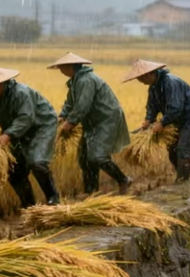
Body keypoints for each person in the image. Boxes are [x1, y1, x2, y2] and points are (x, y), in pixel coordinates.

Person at [0, 65, 60, 208]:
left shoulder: (21, 93)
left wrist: (8, 135)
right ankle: (29, 206)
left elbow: (25, 118)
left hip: (41, 127)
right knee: (14, 170)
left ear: (2, 82)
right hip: (15, 132)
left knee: (37, 162)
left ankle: (53, 198)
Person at [49, 52, 132, 195]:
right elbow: (70, 103)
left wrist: (71, 122)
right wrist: (63, 116)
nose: (61, 71)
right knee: (84, 158)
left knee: (97, 156)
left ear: (71, 67)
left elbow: (83, 105)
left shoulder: (86, 80)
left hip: (106, 119)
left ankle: (123, 179)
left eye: (62, 67)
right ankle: (91, 192)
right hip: (92, 122)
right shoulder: (75, 81)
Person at [123, 59, 190, 181]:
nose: (140, 81)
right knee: (172, 150)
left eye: (141, 78)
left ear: (149, 74)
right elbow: (152, 106)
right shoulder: (153, 87)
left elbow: (176, 108)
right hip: (179, 118)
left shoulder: (170, 83)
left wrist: (162, 123)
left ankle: (183, 182)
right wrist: (149, 119)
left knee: (183, 149)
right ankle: (184, 175)